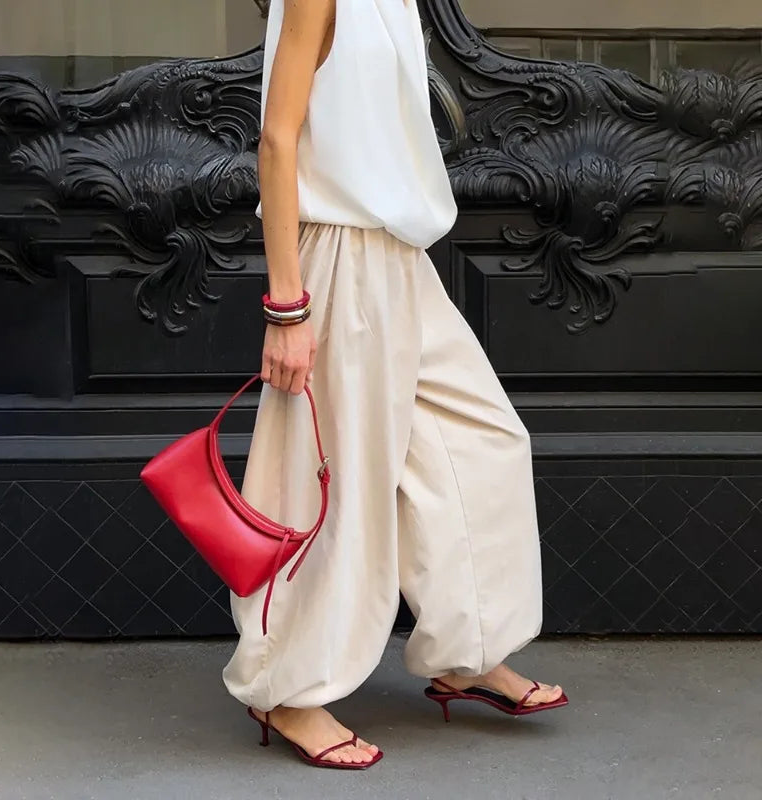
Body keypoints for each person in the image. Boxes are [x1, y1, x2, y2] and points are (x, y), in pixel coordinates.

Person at [222, 0, 568, 769]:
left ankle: (466, 649)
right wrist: (287, 304)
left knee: (481, 441)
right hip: (338, 255)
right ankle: (289, 689)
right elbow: (277, 141)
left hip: (401, 260)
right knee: (332, 487)